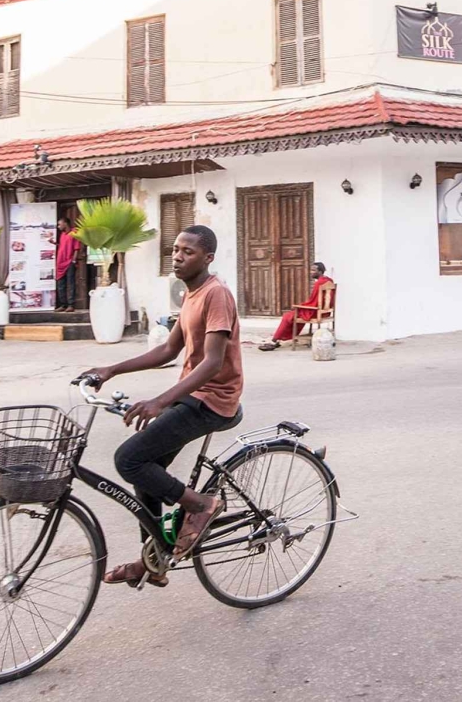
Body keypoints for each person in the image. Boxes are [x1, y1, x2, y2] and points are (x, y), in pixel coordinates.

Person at [76, 225, 244, 588]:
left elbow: (213, 363)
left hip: (213, 400)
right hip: (193, 396)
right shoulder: (191, 294)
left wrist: (160, 401)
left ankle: (201, 505)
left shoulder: (216, 294)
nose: (178, 257)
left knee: (128, 460)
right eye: (176, 250)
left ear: (208, 258)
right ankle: (155, 559)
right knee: (146, 468)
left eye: (188, 252)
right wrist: (111, 370)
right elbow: (169, 349)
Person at [257, 261, 333, 351]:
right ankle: (283, 339)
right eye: (311, 270)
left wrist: (300, 306)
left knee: (287, 316)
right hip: (325, 312)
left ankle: (274, 341)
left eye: (313, 270)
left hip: (316, 312)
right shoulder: (329, 281)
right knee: (294, 315)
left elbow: (313, 302)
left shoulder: (319, 283)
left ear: (320, 271)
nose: (311, 272)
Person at [55, 215, 81, 312]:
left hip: (69, 261)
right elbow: (63, 246)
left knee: (70, 283)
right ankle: (63, 304)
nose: (58, 226)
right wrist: (54, 243)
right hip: (60, 262)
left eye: (59, 224)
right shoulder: (62, 235)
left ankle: (71, 304)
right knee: (61, 284)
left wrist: (73, 261)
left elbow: (76, 248)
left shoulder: (74, 233)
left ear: (65, 224)